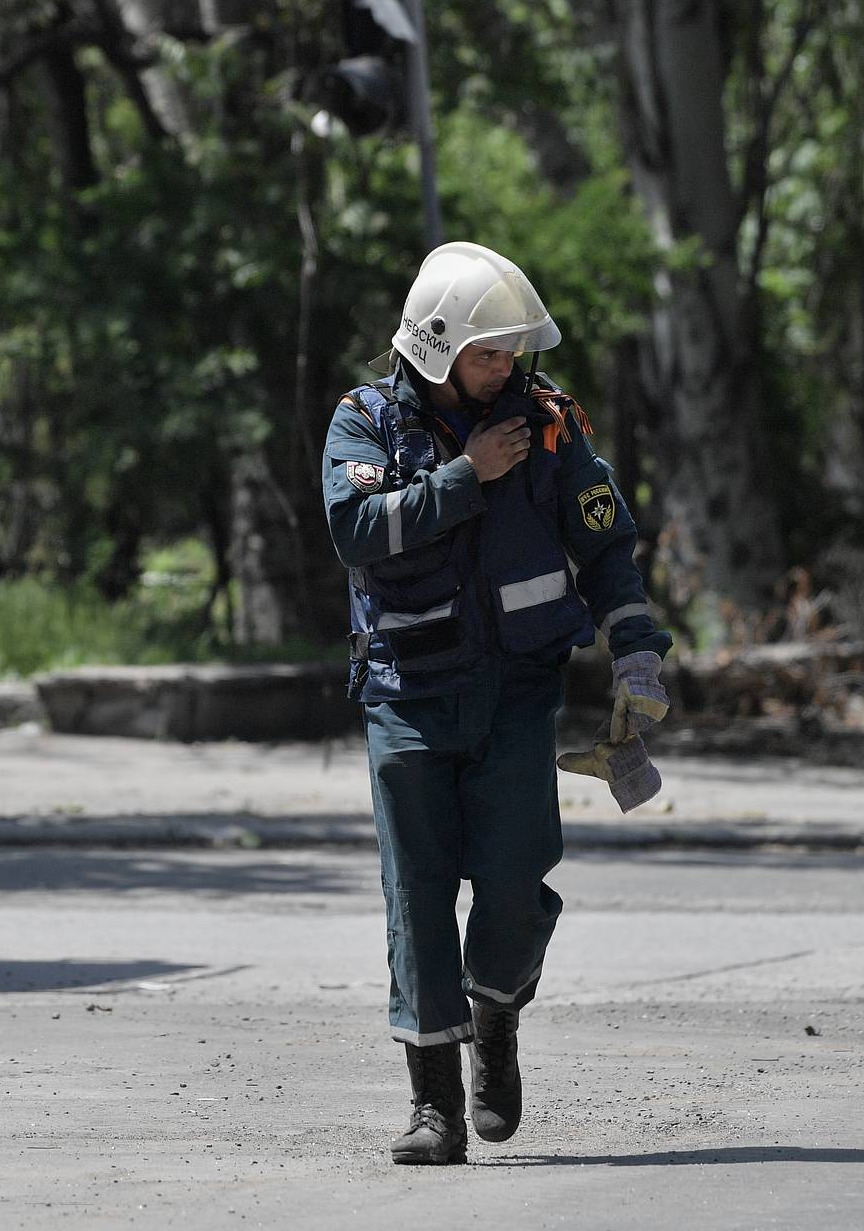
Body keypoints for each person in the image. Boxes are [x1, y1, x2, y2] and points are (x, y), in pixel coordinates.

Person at [321, 241, 672, 1165]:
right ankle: (434, 1105)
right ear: (435, 348)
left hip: (517, 695)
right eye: (489, 351)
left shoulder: (548, 427)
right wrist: (463, 476)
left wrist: (636, 651)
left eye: (514, 350)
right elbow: (355, 530)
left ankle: (497, 1012)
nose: (507, 366)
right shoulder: (361, 424)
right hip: (406, 697)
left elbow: (605, 548)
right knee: (419, 899)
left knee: (515, 885)